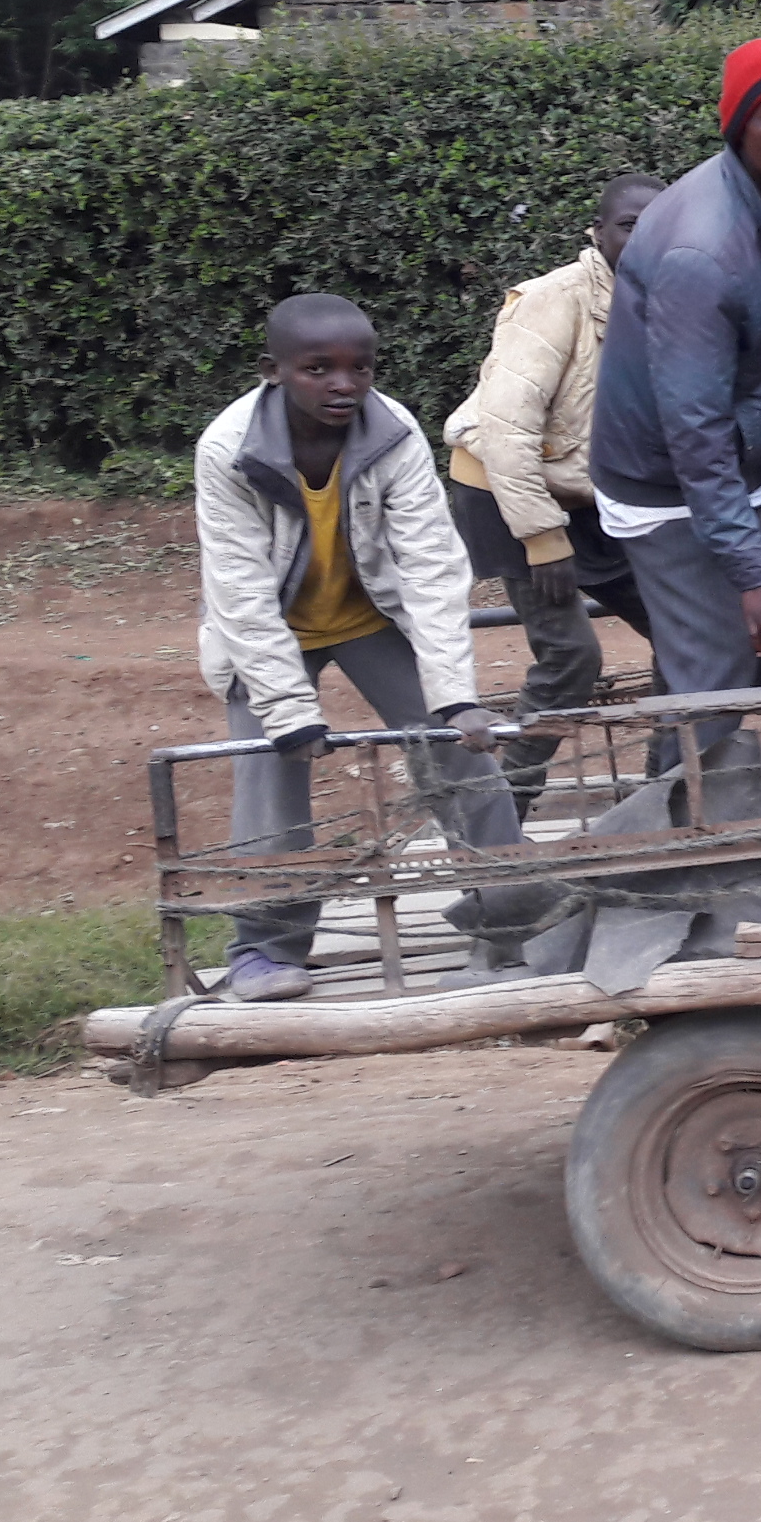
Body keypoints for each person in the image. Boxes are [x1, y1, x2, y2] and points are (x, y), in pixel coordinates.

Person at [194, 294, 518, 1001]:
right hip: (270, 629)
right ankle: (264, 950)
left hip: (370, 615)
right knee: (272, 786)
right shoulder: (228, 449)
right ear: (274, 371)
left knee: (464, 759)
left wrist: (454, 697)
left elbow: (431, 564)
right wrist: (289, 713)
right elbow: (239, 589)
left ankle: (514, 923)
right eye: (318, 369)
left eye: (360, 368)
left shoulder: (392, 432)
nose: (343, 385)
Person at [589, 39, 761, 792]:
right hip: (665, 484)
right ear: (739, 125)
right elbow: (693, 432)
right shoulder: (701, 252)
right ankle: (683, 833)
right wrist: (753, 573)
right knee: (718, 671)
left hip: (747, 464)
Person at [443, 172, 665, 811]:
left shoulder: (672, 298)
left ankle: (667, 784)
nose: (643, 238)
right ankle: (507, 799)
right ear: (597, 233)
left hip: (593, 494)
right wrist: (543, 540)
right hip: (508, 492)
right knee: (571, 656)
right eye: (628, 225)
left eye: (657, 225)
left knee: (689, 632)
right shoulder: (552, 299)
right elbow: (506, 430)